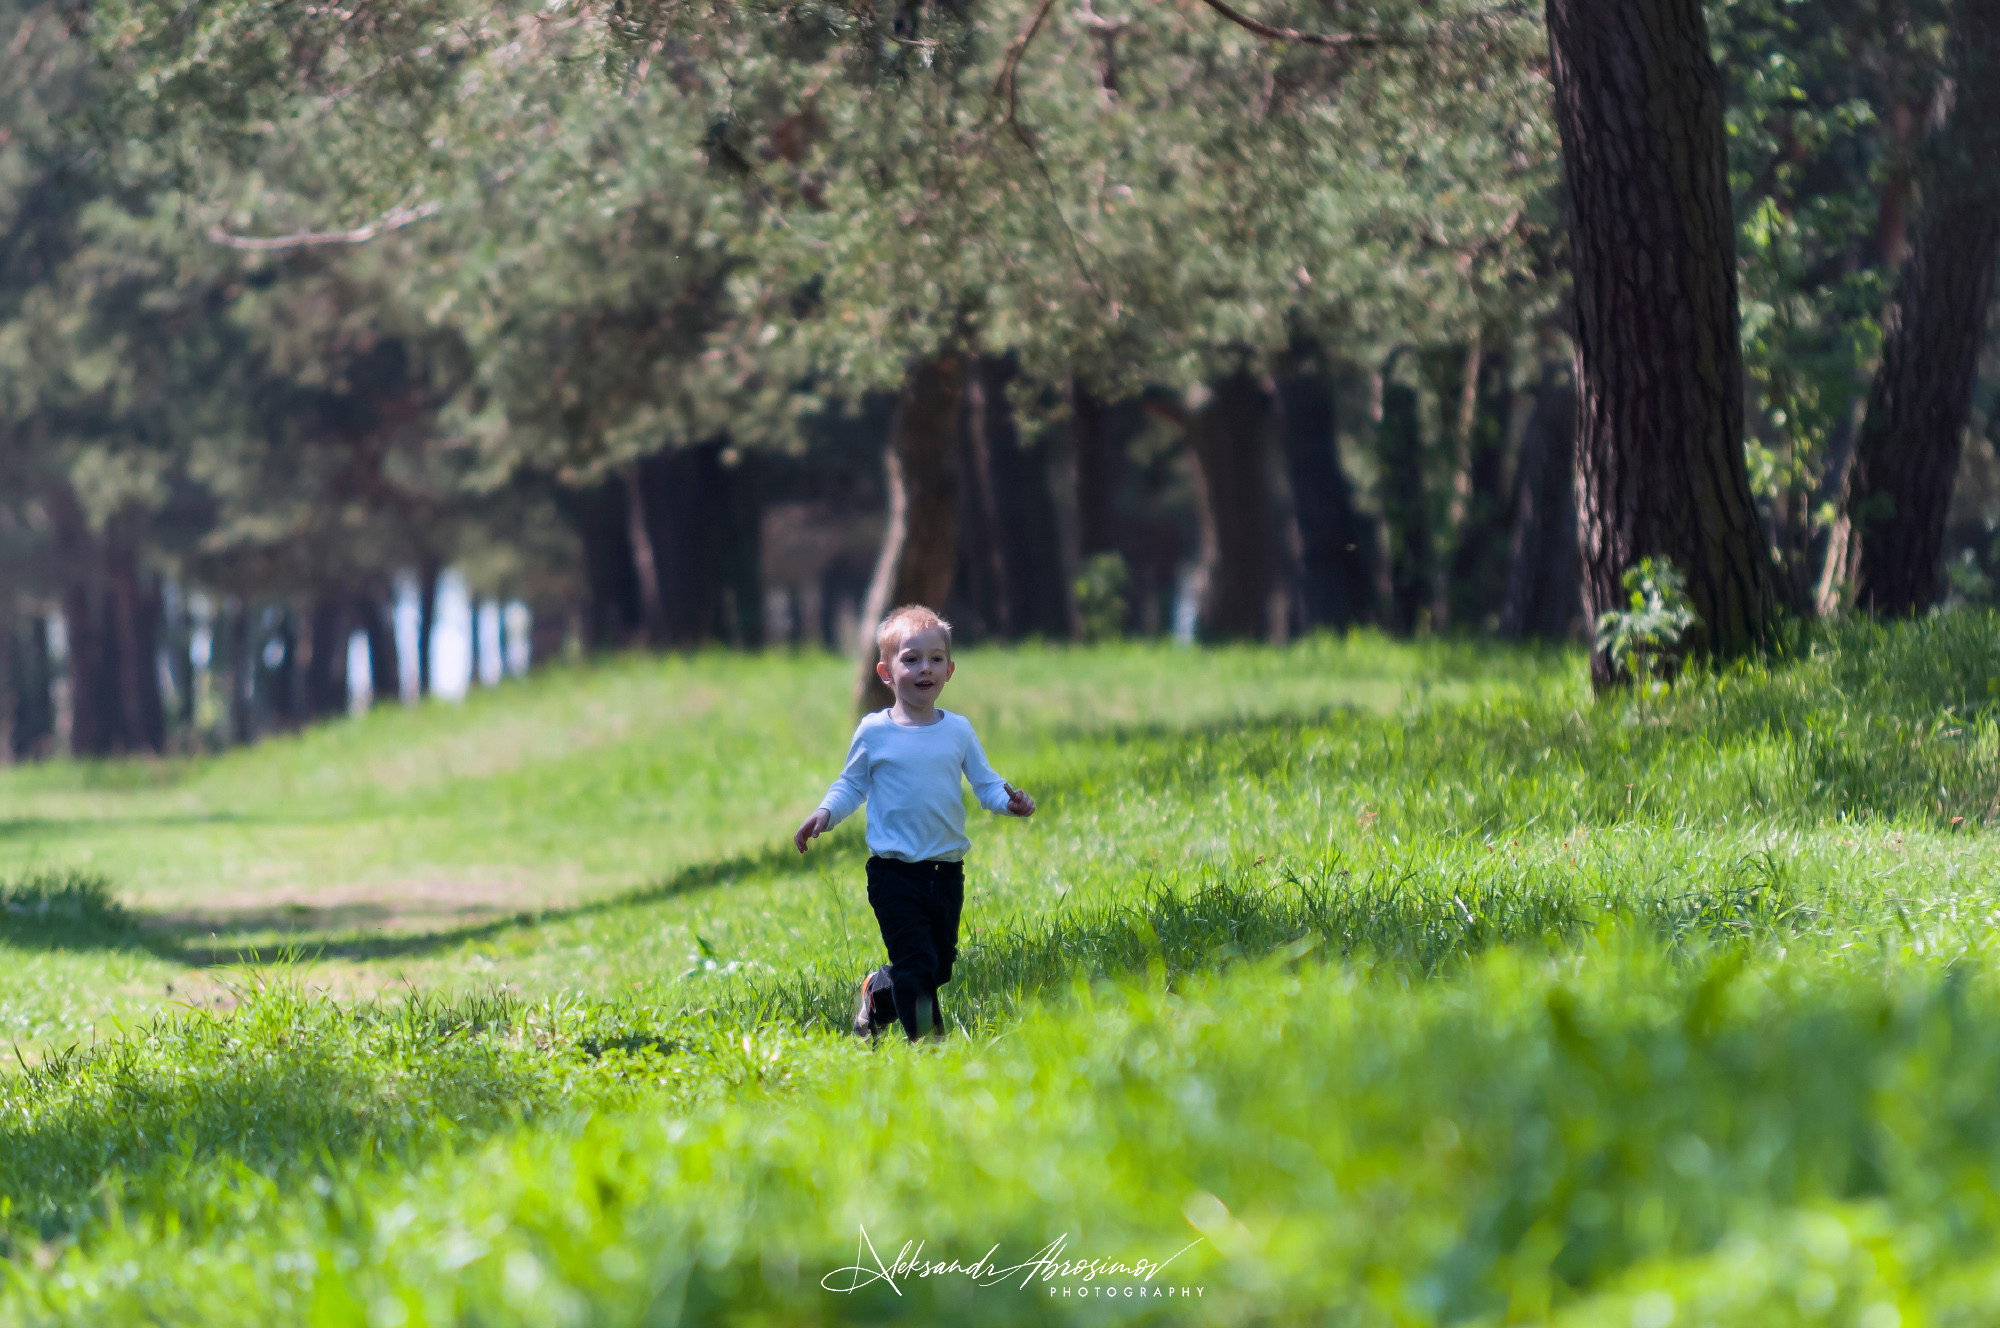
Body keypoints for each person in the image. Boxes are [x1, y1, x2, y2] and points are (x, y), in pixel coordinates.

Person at [794, 604, 1035, 1041]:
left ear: (950, 669)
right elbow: (851, 785)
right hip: (893, 873)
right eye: (911, 659)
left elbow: (986, 784)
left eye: (935, 659)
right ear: (885, 672)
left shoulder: (958, 731)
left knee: (937, 966)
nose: (925, 669)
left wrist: (1008, 801)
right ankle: (931, 1052)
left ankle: (876, 994)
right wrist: (824, 814)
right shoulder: (874, 732)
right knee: (917, 965)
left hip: (946, 872)